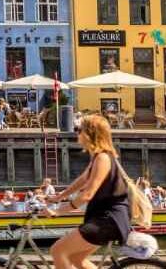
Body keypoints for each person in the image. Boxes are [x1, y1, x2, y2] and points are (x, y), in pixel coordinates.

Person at [46, 115, 130, 269]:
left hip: (108, 220)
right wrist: (58, 197)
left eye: (79, 130)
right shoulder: (98, 157)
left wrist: (58, 211)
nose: (77, 133)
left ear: (90, 133)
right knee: (76, 258)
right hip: (103, 218)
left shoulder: (103, 158)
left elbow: (87, 194)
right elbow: (82, 180)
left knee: (58, 251)